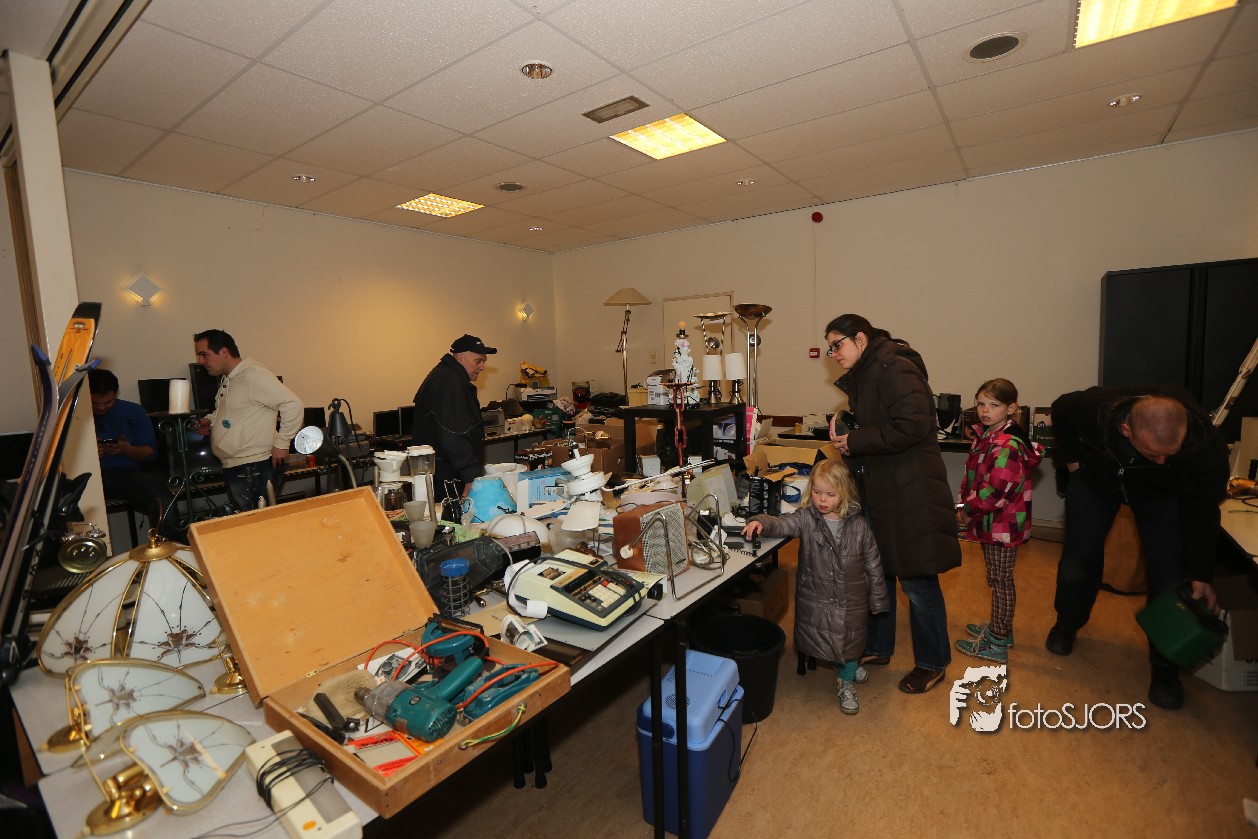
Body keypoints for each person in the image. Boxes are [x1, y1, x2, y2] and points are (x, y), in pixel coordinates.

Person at [1045, 385, 1228, 710]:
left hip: (1161, 496)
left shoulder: (1206, 446)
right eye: (1153, 453)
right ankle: (1067, 623)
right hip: (1098, 481)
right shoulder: (1095, 408)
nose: (1162, 460)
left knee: (1169, 574)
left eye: (1170, 454)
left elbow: (1203, 511)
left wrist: (1201, 572)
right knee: (1079, 559)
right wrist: (1072, 461)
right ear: (1126, 429)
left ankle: (1165, 666)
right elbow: (1059, 409)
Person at [825, 313, 961, 694]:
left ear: (861, 339)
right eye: (830, 348)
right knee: (878, 573)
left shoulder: (893, 366)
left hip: (909, 491)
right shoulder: (870, 372)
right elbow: (884, 425)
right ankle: (879, 647)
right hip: (884, 490)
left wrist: (856, 441)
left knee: (917, 581)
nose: (833, 354)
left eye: (837, 345)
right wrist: (851, 433)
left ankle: (933, 663)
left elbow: (913, 425)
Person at [742, 459, 888, 714]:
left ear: (844, 493)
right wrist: (762, 522)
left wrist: (878, 599)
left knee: (849, 640)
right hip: (818, 596)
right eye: (818, 492)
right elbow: (784, 523)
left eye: (830, 494)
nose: (822, 500)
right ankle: (846, 672)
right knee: (828, 635)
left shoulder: (860, 526)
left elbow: (874, 565)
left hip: (851, 598)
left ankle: (846, 675)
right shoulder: (807, 518)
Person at [954, 378, 1044, 664]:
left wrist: (967, 510)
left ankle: (997, 641)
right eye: (981, 404)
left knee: (1001, 581)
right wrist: (965, 503)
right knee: (996, 578)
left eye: (994, 405)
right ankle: (1000, 627)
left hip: (1000, 524)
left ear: (1011, 408)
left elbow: (995, 493)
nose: (985, 410)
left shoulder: (1007, 445)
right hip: (991, 521)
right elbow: (974, 478)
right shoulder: (988, 436)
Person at [192, 329, 302, 512]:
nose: (201, 361)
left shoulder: (253, 375)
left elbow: (293, 404)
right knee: (249, 523)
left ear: (224, 352)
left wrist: (283, 443)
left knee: (258, 524)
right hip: (239, 466)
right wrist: (209, 420)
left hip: (255, 466)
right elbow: (231, 412)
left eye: (204, 355)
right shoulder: (230, 379)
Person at [89, 368, 181, 541]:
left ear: (116, 394)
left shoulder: (134, 411)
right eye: (94, 403)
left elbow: (150, 453)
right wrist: (89, 455)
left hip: (128, 474)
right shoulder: (74, 415)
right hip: (89, 477)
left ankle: (170, 549)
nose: (101, 407)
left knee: (163, 503)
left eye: (107, 402)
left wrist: (126, 450)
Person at [412, 334, 495, 504]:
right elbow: (454, 434)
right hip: (447, 477)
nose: (482, 367)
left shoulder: (445, 375)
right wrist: (470, 476)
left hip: (440, 470)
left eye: (484, 361)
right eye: (478, 361)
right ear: (460, 357)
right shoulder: (451, 382)